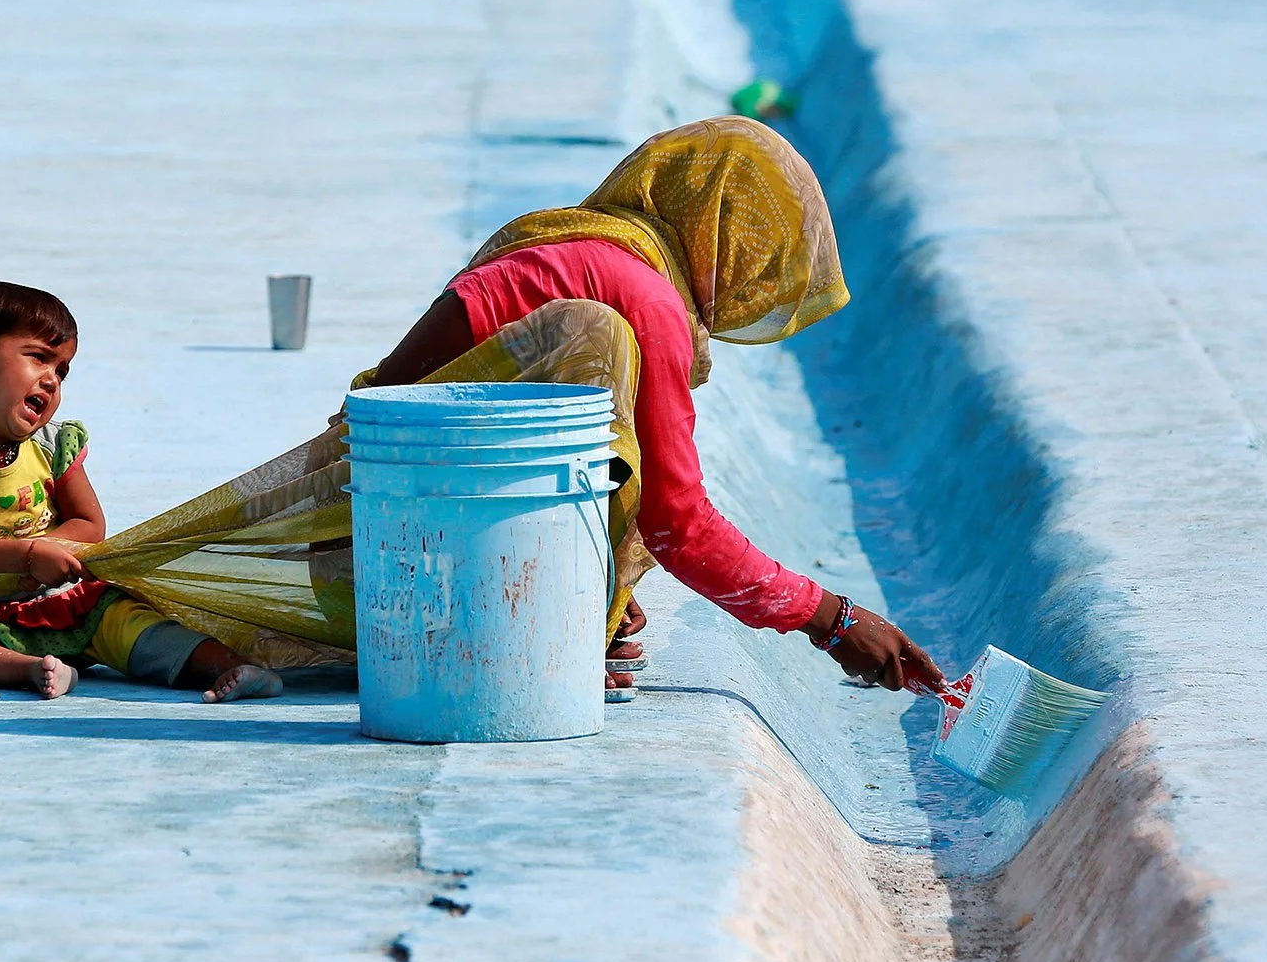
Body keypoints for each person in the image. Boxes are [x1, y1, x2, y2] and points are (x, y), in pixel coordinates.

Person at [366, 115, 943, 699]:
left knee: (623, 459)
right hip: (404, 568)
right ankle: (525, 628)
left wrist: (602, 581)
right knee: (635, 454)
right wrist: (835, 622)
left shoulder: (585, 248)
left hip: (387, 507)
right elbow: (679, 524)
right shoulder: (646, 301)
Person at [0, 280, 279, 702]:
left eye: (62, 370)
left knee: (129, 618)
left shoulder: (54, 445)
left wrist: (50, 553)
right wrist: (30, 555)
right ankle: (28, 670)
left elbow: (91, 525)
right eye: (38, 358)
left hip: (65, 602)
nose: (52, 380)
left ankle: (230, 667)